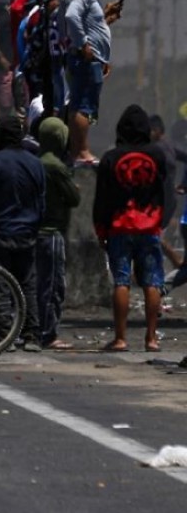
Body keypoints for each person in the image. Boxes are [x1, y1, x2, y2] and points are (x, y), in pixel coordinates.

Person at [94, 105, 172, 353]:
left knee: (121, 281)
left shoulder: (111, 158)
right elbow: (163, 191)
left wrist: (101, 229)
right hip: (149, 226)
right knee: (152, 282)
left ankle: (120, 338)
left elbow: (102, 198)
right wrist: (161, 221)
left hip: (119, 227)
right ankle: (151, 339)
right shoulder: (157, 155)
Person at [0, 115, 45, 350]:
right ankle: (32, 335)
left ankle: (5, 335)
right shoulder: (36, 163)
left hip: (1, 233)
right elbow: (42, 201)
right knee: (27, 285)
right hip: (28, 232)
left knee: (1, 285)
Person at [63, 0, 120, 165]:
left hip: (91, 58)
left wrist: (105, 18)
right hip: (86, 59)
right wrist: (84, 45)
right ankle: (82, 151)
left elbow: (88, 23)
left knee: (82, 104)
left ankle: (78, 150)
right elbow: (71, 16)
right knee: (83, 106)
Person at [35, 117, 80, 351]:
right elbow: (74, 198)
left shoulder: (36, 162)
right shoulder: (56, 166)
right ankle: (48, 333)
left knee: (38, 283)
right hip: (52, 232)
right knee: (53, 285)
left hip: (34, 231)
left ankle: (37, 329)